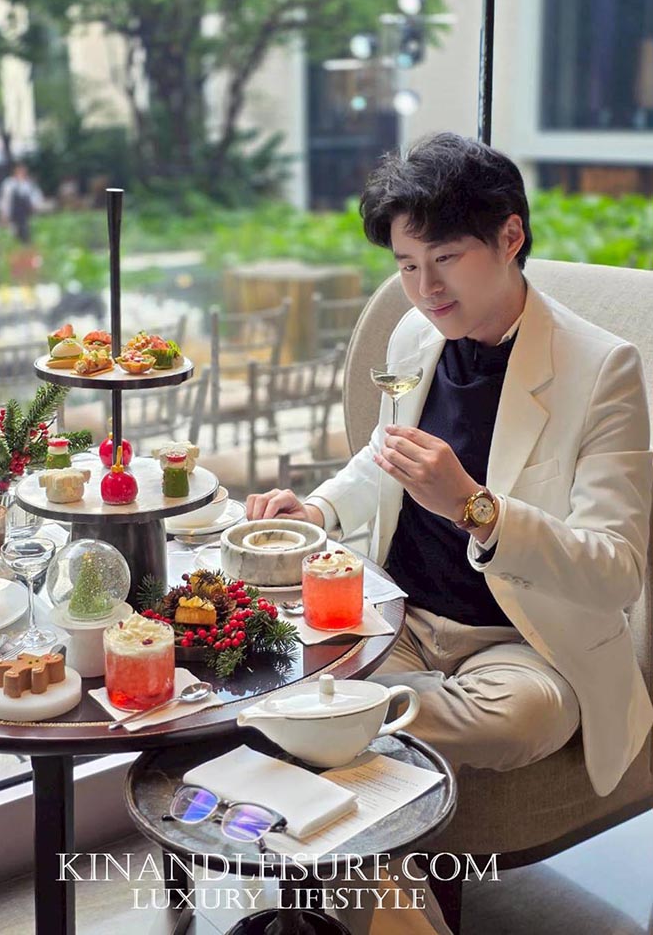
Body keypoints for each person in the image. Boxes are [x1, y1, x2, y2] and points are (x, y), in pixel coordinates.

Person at [247, 132, 653, 933]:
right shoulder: (415, 335)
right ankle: (346, 727)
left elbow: (617, 570)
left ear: (510, 236)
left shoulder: (604, 368)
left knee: (525, 716)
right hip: (398, 620)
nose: (425, 288)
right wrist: (317, 512)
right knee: (330, 711)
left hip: (525, 644)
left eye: (445, 259)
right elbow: (383, 457)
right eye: (406, 265)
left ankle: (332, 719)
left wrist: (476, 507)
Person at [0, 162, 43, 243]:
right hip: (13, 214)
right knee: (13, 236)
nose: (21, 172)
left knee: (27, 236)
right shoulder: (9, 183)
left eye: (23, 171)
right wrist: (4, 214)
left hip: (26, 215)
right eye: (19, 170)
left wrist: (35, 206)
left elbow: (37, 197)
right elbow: (5, 200)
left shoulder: (29, 184)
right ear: (15, 171)